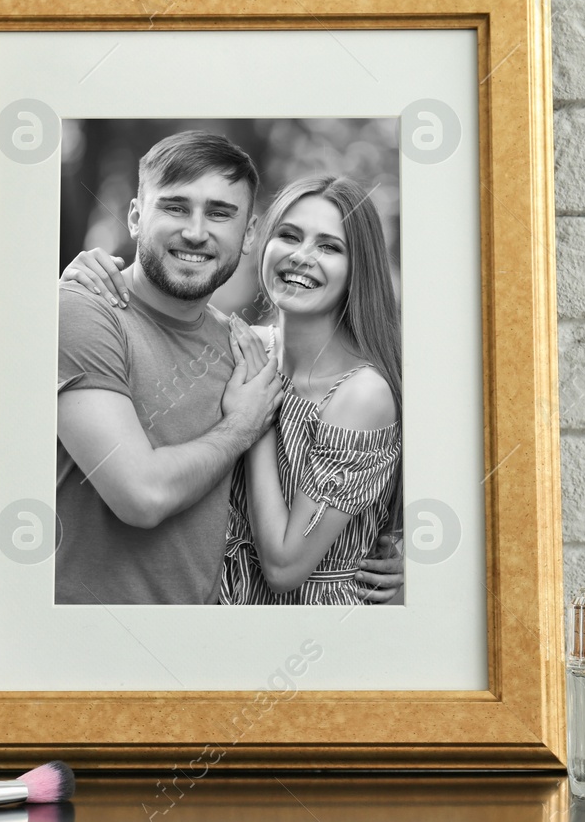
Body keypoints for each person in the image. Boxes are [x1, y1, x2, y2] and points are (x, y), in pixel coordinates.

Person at [56, 131, 403, 604]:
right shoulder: (246, 347)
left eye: (330, 246)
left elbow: (295, 555)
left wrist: (409, 554)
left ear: (246, 233)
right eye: (176, 207)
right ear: (136, 217)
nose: (197, 231)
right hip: (136, 629)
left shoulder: (251, 357)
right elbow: (143, 495)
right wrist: (246, 422)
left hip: (289, 634)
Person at [219, 176, 403, 605]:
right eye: (289, 236)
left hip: (311, 634)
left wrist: (254, 424)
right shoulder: (246, 346)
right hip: (220, 617)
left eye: (329, 246)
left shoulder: (361, 396)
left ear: (359, 266)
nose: (302, 257)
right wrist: (85, 278)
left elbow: (284, 567)